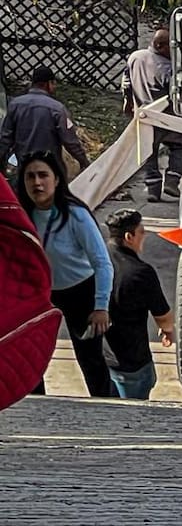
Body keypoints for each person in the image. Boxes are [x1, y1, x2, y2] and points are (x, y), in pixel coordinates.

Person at [17, 150, 113, 397]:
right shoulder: (21, 215)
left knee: (90, 358)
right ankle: (36, 407)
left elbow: (102, 263)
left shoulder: (76, 215)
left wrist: (100, 307)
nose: (37, 183)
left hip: (80, 293)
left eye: (43, 175)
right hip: (40, 296)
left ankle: (107, 409)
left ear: (57, 179)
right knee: (31, 355)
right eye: (30, 177)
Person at [103, 208, 174, 400]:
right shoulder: (141, 273)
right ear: (129, 237)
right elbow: (164, 317)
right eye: (142, 231)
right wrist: (168, 331)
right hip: (133, 364)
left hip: (102, 358)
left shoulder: (97, 263)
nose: (145, 236)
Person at [122, 29, 182, 202]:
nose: (172, 51)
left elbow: (126, 83)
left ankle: (153, 188)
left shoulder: (135, 57)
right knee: (179, 145)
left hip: (143, 115)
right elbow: (176, 93)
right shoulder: (166, 67)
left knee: (148, 153)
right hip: (167, 117)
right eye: (170, 47)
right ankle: (172, 180)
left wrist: (128, 103)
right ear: (159, 45)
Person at [0, 67, 90, 181]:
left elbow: (5, 139)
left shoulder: (14, 105)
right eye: (54, 84)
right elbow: (71, 143)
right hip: (49, 170)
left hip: (23, 167)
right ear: (48, 84)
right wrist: (85, 162)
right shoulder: (58, 109)